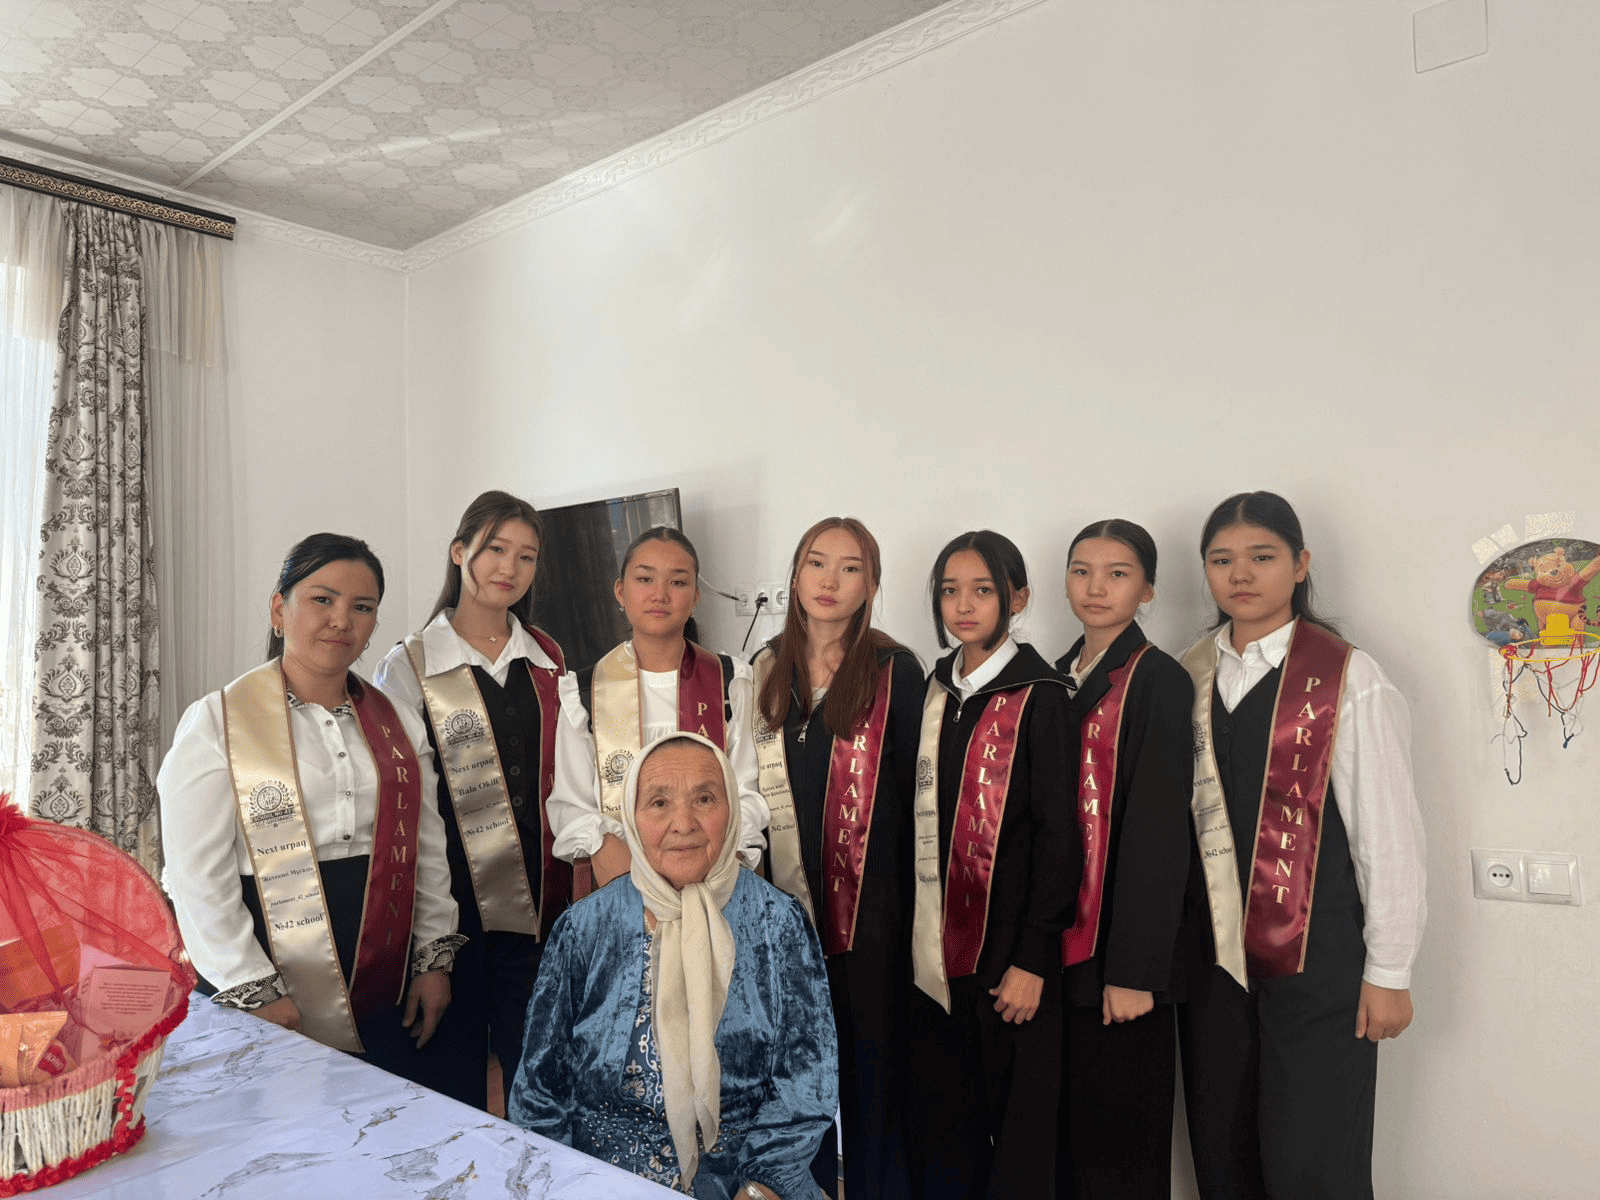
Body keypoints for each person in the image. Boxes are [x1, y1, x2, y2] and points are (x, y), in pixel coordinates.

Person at [1176, 491, 1427, 1200]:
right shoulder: (1186, 673)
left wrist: (1390, 970)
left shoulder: (1347, 676)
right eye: (1221, 559)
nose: (1240, 574)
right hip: (1211, 961)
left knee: (1313, 1161)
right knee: (1223, 1154)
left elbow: (1387, 834)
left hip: (1318, 962)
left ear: (1300, 564)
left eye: (1262, 556)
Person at [158, 533, 461, 1081]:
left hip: (381, 952)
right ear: (279, 609)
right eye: (323, 599)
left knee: (383, 1112)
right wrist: (252, 987)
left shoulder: (397, 721)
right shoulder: (218, 720)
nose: (342, 620)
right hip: (261, 951)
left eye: (362, 607)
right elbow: (196, 875)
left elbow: (427, 848)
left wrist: (431, 959)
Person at [509, 732, 838, 1199]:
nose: (683, 824)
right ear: (631, 817)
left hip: (746, 1180)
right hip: (602, 1179)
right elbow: (539, 1091)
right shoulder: (584, 928)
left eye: (704, 799)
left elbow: (806, 1080)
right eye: (659, 803)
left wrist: (761, 1185)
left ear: (732, 809)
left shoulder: (778, 921)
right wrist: (566, 1182)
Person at [373, 490, 568, 1108]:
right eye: (495, 550)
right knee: (448, 1091)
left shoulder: (548, 659)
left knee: (541, 1086)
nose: (510, 568)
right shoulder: (409, 666)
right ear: (460, 552)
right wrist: (430, 950)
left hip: (538, 915)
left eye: (527, 557)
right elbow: (408, 811)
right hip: (450, 916)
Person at [750, 517, 922, 1199]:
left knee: (874, 1084)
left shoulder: (894, 672)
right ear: (795, 575)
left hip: (872, 920)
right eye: (816, 563)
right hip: (784, 916)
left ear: (871, 585)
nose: (830, 581)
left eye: (851, 568)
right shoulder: (764, 670)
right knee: (795, 1085)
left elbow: (916, 803)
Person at [905, 530, 1079, 1199]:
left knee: (1019, 1143)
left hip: (1010, 961)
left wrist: (1033, 958)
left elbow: (1059, 836)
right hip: (937, 960)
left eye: (982, 590)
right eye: (950, 590)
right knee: (948, 1131)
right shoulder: (933, 691)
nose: (963, 605)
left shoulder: (1042, 695)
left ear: (1019, 598)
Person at [1053, 520, 1194, 1200]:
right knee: (1066, 1143)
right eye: (1082, 571)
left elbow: (1158, 832)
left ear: (1148, 589)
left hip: (1121, 962)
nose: (1096, 587)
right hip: (1057, 955)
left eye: (1117, 573)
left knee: (1121, 1150)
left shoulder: (1158, 678)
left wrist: (1135, 973)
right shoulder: (1052, 676)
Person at [548, 526, 767, 890]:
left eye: (677, 583)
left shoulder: (730, 682)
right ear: (621, 591)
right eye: (645, 579)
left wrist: (729, 859)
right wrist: (604, 846)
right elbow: (570, 805)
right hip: (620, 876)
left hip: (714, 872)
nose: (660, 595)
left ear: (695, 597)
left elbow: (746, 791)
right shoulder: (584, 691)